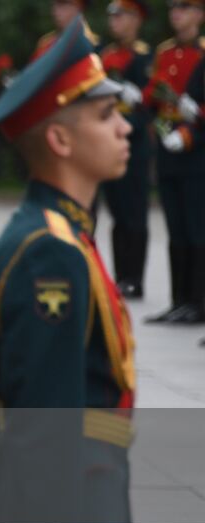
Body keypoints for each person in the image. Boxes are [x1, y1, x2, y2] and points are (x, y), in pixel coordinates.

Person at [0, 19, 149, 523]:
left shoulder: (66, 235)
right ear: (62, 142)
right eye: (105, 116)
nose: (125, 126)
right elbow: (44, 431)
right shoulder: (50, 252)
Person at [144, 0, 205, 323]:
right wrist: (162, 127)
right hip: (168, 146)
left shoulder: (202, 53)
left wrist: (193, 124)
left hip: (196, 150)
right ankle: (179, 299)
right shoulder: (164, 52)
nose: (176, 14)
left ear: (199, 14)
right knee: (175, 229)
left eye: (184, 7)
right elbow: (153, 98)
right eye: (173, 8)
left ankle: (198, 301)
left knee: (197, 229)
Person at [100, 0, 154, 298]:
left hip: (134, 144)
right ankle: (121, 276)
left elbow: (150, 105)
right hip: (109, 140)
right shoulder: (107, 55)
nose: (115, 21)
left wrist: (137, 106)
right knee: (118, 212)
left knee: (135, 214)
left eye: (121, 16)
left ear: (136, 19)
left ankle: (135, 278)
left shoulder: (145, 57)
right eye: (113, 16)